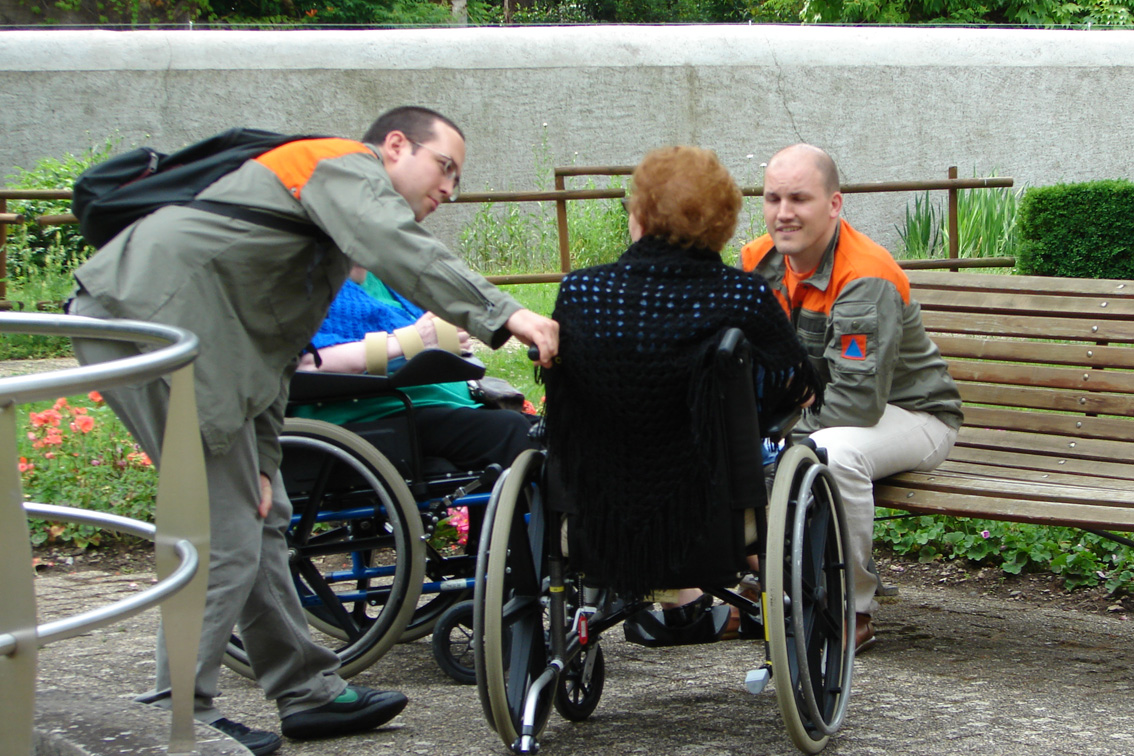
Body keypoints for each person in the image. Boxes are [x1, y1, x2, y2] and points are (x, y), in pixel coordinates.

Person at [66, 105, 558, 756]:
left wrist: (267, 461)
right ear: (393, 147)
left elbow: (271, 351)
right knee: (224, 526)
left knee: (262, 516)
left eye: (457, 180)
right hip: (145, 325)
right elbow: (398, 247)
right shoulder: (339, 165)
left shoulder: (323, 236)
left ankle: (306, 690)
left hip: (190, 342)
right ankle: (172, 714)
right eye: (444, 168)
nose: (448, 189)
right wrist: (506, 313)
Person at [541, 145, 822, 641]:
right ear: (722, 220)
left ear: (640, 214)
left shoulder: (580, 292)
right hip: (709, 521)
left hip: (597, 520)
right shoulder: (742, 294)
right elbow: (797, 382)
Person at [740, 143, 963, 654]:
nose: (783, 213)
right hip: (830, 408)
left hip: (914, 416)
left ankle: (850, 607)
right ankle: (770, 580)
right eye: (773, 198)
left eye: (799, 198)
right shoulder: (758, 259)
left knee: (834, 452)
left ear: (835, 205)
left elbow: (858, 404)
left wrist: (777, 441)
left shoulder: (864, 274)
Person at [293, 265, 539, 470]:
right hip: (368, 415)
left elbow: (424, 338)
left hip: (425, 404)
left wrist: (446, 338)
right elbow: (309, 363)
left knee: (541, 430)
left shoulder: (383, 275)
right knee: (510, 431)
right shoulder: (312, 278)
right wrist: (413, 340)